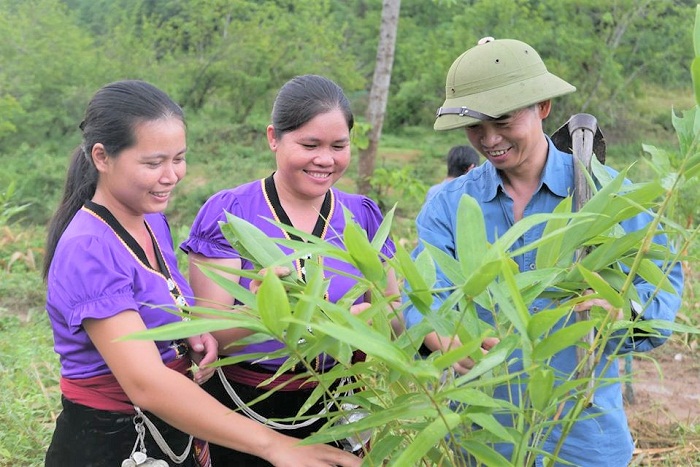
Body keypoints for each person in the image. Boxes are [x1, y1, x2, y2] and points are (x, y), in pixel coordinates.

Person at [43, 79, 362, 467]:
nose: (172, 175)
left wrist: (233, 321)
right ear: (102, 157)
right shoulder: (88, 248)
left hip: (170, 430)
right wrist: (274, 445)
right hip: (110, 440)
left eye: (178, 158)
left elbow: (169, 315)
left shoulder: (148, 222)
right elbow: (147, 383)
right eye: (153, 162)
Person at [403, 38, 684, 466]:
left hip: (583, 434)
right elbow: (422, 296)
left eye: (502, 119)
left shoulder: (610, 196)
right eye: (475, 125)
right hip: (482, 435)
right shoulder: (449, 206)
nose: (489, 138)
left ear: (544, 106)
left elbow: (660, 290)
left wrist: (623, 311)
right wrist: (444, 341)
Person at [181, 74, 400, 465]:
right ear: (274, 138)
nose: (325, 159)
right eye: (309, 144)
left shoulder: (361, 217)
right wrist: (272, 312)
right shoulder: (231, 215)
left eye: (339, 146)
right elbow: (212, 336)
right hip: (248, 408)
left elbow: (392, 312)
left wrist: (376, 322)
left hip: (340, 403)